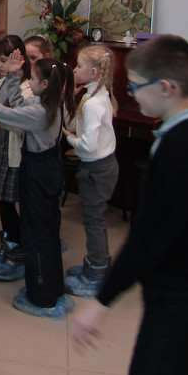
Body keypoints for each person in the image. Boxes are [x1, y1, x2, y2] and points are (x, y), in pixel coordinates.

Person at [70, 35, 188, 375]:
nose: (131, 94)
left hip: (184, 287)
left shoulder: (184, 148)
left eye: (135, 87)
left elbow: (149, 236)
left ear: (165, 87)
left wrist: (101, 301)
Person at [0, 54, 76, 319]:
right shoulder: (49, 104)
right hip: (47, 173)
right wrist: (12, 76)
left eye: (32, 78)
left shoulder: (40, 112)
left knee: (35, 235)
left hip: (37, 176)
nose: (29, 83)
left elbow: (7, 112)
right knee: (48, 232)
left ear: (45, 84)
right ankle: (53, 289)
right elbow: (20, 105)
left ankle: (42, 297)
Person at [62, 44, 119, 298]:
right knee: (92, 218)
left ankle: (97, 274)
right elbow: (76, 123)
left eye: (79, 66)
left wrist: (68, 138)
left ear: (94, 72)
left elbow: (87, 144)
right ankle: (96, 265)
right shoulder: (92, 95)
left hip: (98, 168)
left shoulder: (94, 103)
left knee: (94, 221)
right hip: (96, 166)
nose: (75, 70)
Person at [0, 35, 33, 282]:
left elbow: (23, 124)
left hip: (14, 155)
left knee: (11, 203)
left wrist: (0, 123)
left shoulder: (27, 89)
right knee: (2, 202)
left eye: (3, 60)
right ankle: (9, 244)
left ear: (18, 59)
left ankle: (19, 251)